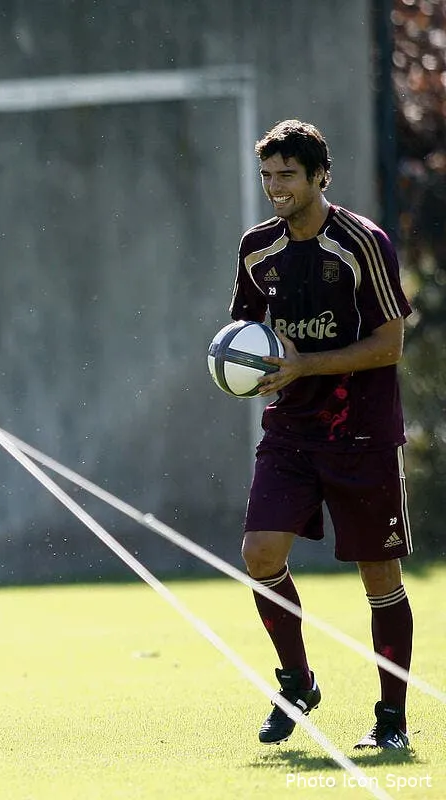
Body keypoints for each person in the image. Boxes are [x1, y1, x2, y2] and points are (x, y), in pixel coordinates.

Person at [230, 120, 414, 749]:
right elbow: (246, 335)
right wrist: (244, 369)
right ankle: (297, 681)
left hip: (361, 434)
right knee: (260, 555)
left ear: (319, 177)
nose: (274, 187)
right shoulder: (256, 250)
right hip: (290, 433)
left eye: (287, 175)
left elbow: (390, 346)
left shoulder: (364, 243)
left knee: (378, 578)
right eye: (267, 175)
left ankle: (390, 720)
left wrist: (305, 363)